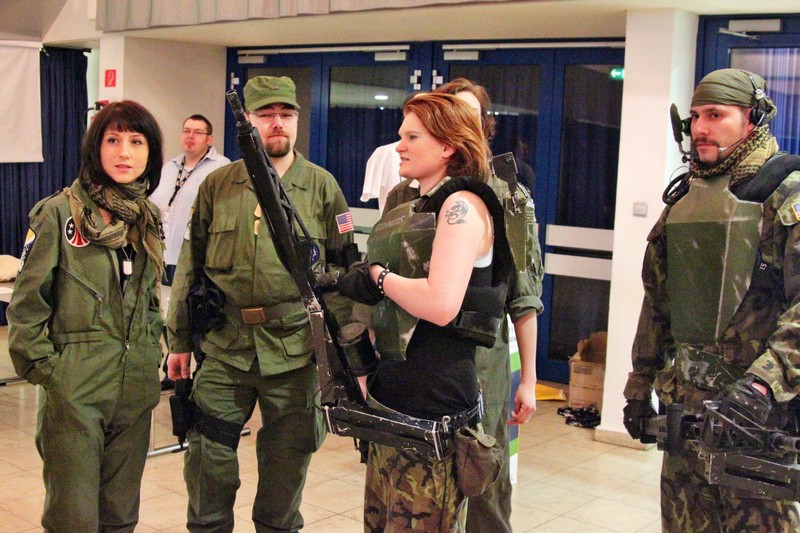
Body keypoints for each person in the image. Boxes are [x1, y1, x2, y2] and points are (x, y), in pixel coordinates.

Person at [165, 75, 355, 532]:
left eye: (285, 114)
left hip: (295, 348)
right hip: (225, 346)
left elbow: (344, 272)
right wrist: (179, 339)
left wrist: (346, 351)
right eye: (266, 115)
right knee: (207, 458)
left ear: (297, 120)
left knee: (287, 464)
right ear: (248, 120)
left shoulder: (322, 187)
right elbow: (190, 265)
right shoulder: (218, 185)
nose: (277, 123)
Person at [623, 68, 800, 531]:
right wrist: (640, 385)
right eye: (696, 116)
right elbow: (658, 304)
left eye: (716, 115)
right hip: (686, 418)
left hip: (757, 420)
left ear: (752, 118)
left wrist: (764, 384)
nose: (700, 128)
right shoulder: (684, 201)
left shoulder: (786, 193)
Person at [340, 92, 513, 531]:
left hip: (433, 408)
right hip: (396, 400)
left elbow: (440, 304)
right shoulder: (419, 204)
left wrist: (378, 276)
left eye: (412, 137)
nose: (399, 146)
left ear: (448, 146)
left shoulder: (462, 206)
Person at [383, 78, 543, 533]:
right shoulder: (404, 195)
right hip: (412, 360)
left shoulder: (504, 197)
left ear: (481, 127)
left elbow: (523, 296)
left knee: (481, 478)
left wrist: (529, 379)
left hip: (479, 362)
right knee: (412, 485)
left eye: (468, 114)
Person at [7, 100, 165, 532]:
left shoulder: (147, 218)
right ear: (95, 148)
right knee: (73, 518)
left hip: (135, 389)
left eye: (136, 142)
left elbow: (149, 299)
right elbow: (26, 307)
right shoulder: (58, 213)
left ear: (151, 152)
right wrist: (54, 374)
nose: (124, 152)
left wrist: (150, 354)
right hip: (76, 391)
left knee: (120, 516)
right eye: (113, 140)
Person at [149, 114, 230, 285]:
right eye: (186, 131)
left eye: (198, 132)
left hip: (194, 259)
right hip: (161, 255)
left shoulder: (222, 167)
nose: (190, 136)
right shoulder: (169, 167)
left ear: (209, 139)